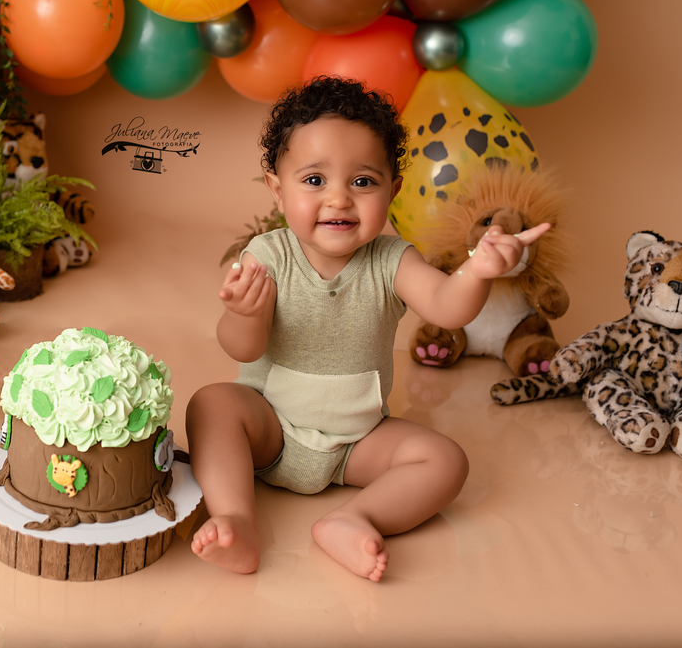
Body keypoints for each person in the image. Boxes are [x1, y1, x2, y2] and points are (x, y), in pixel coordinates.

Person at [186, 77, 549, 581]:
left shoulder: (391, 260)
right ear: (277, 187)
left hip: (357, 444)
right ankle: (237, 520)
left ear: (392, 189)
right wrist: (245, 313)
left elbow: (447, 307)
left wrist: (478, 270)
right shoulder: (269, 256)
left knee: (445, 461)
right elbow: (241, 347)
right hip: (269, 429)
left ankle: (354, 518)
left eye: (362, 181)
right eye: (314, 181)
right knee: (212, 403)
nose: (338, 199)